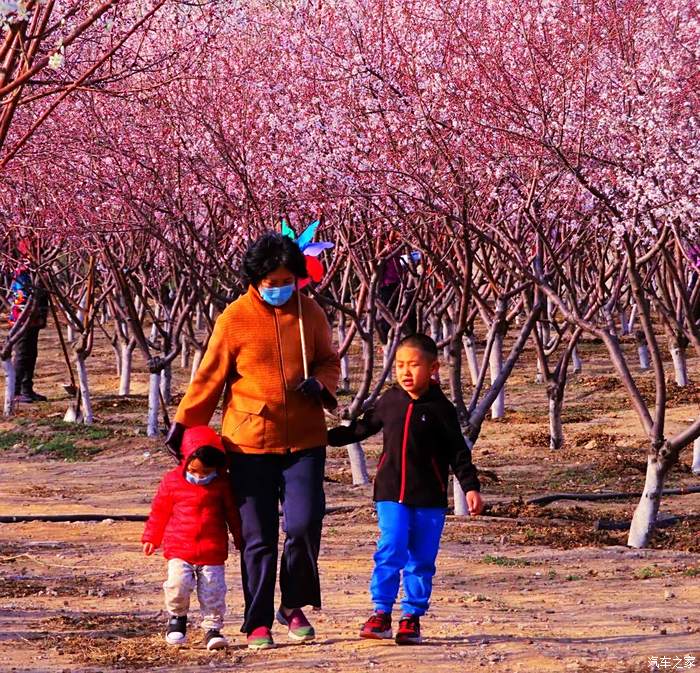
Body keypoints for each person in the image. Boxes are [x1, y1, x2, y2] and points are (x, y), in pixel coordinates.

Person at [165, 232, 340, 650]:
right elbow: (209, 378)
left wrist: (322, 383)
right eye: (271, 281)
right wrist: (184, 427)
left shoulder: (309, 312)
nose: (279, 288)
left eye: (287, 280)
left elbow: (328, 359)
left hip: (304, 439)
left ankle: (292, 603)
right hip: (248, 444)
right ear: (256, 278)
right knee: (257, 537)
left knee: (303, 523)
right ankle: (257, 620)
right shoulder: (234, 318)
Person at [328, 333, 484, 645]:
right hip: (390, 494)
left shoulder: (442, 409)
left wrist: (470, 487)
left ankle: (411, 616)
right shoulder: (390, 401)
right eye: (400, 365)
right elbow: (362, 428)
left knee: (422, 558)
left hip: (429, 498)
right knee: (391, 547)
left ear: (433, 367)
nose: (406, 372)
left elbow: (458, 452)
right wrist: (327, 437)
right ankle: (381, 613)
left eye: (414, 365)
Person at [142, 425, 242, 650]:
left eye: (206, 473)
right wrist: (152, 537)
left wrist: (240, 537)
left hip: (212, 550)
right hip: (179, 547)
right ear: (185, 461)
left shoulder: (222, 484)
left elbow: (232, 514)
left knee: (213, 591)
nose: (199, 477)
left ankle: (212, 629)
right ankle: (177, 620)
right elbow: (160, 511)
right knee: (178, 584)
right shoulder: (172, 481)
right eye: (194, 471)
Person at [8, 264, 49, 403]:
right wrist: (31, 315)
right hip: (23, 319)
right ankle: (15, 391)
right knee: (22, 354)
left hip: (34, 319)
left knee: (31, 353)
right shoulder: (23, 272)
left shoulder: (37, 270)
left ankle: (27, 389)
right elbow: (22, 297)